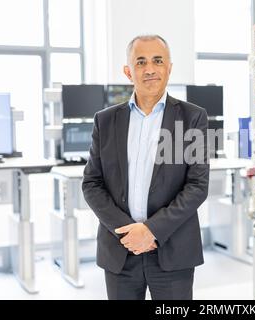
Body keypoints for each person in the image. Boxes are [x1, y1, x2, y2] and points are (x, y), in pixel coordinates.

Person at [82, 35, 209, 300]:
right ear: (128, 71)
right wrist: (130, 233)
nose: (150, 69)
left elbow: (197, 186)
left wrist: (151, 231)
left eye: (157, 61)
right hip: (120, 252)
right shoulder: (105, 121)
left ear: (169, 68)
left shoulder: (192, 118)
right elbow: (92, 183)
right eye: (141, 62)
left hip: (173, 253)